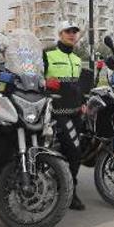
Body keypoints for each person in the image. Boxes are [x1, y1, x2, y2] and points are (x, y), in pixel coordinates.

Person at [42, 21, 86, 210]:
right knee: (74, 151)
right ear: (60, 34)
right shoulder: (48, 55)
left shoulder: (76, 59)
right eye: (68, 31)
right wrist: (45, 82)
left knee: (73, 152)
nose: (71, 35)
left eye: (74, 32)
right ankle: (69, 192)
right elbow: (36, 78)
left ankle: (64, 186)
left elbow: (77, 86)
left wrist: (83, 102)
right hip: (57, 113)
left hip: (76, 112)